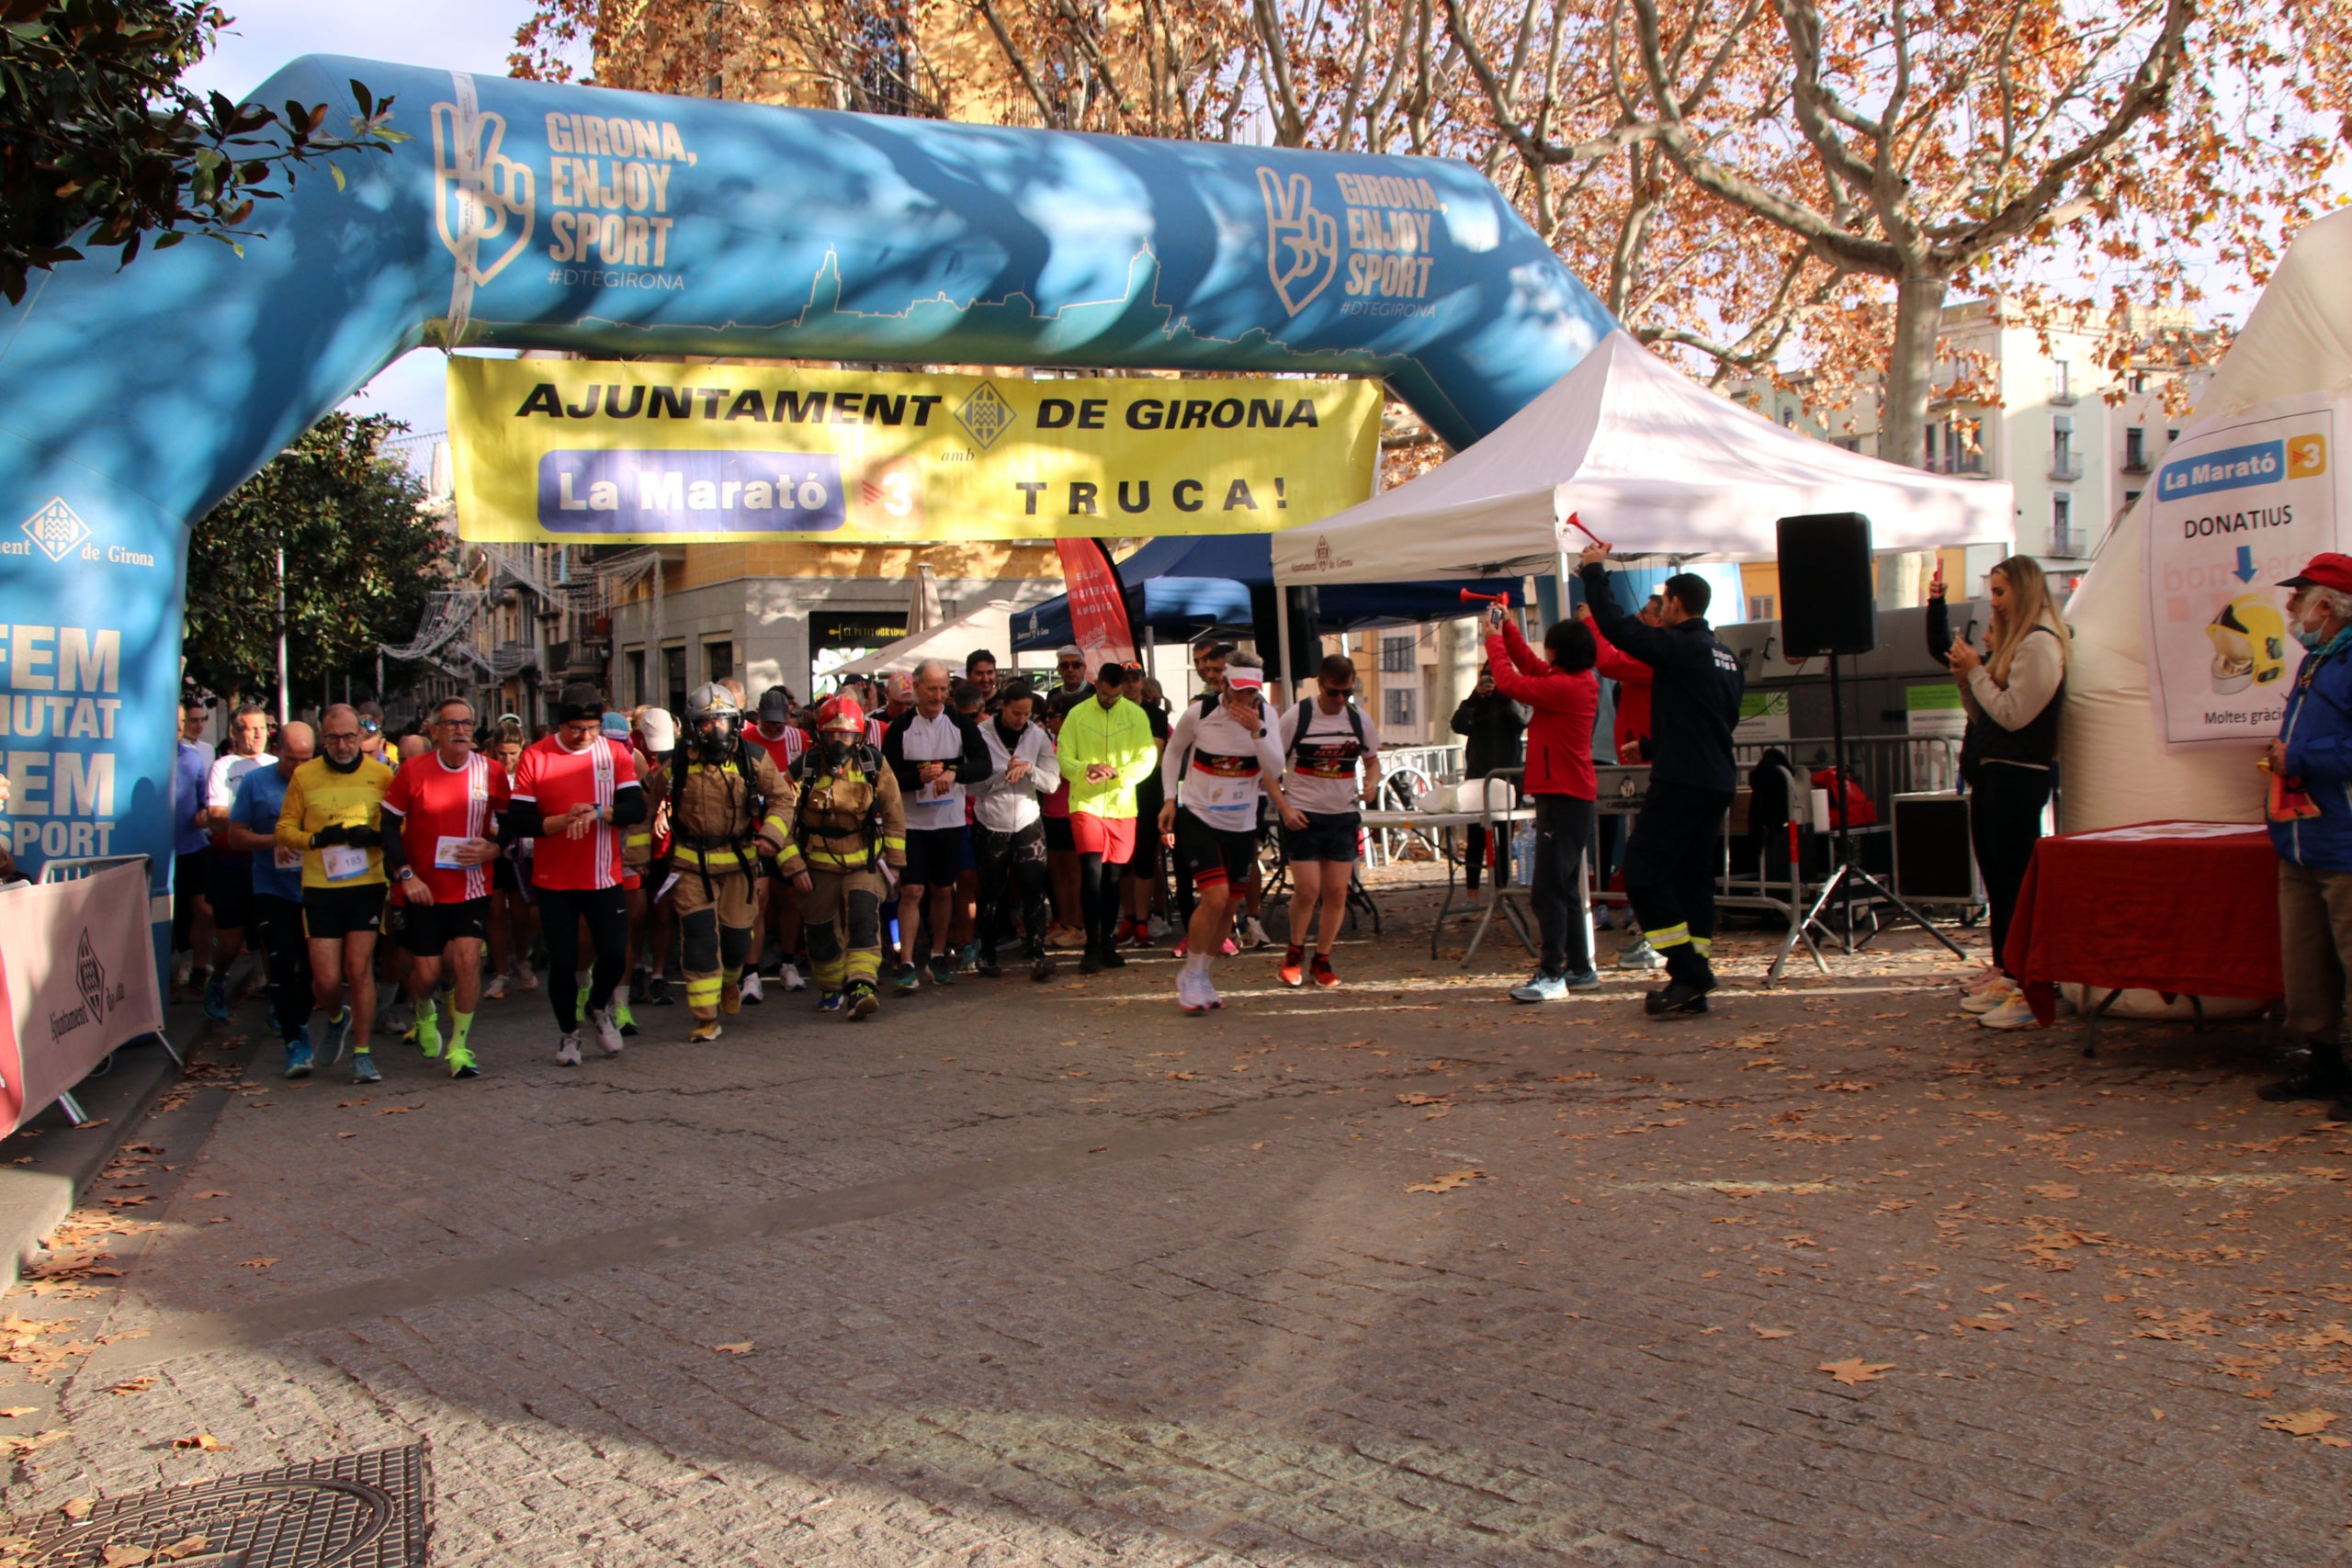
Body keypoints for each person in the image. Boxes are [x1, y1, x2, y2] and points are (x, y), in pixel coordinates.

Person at [1577, 542, 1743, 1015]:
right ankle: (1691, 979)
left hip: (1684, 780)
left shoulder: (1681, 646)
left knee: (1645, 874)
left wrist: (1594, 571)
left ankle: (1689, 970)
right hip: (1714, 778)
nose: (1656, 612)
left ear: (1674, 604)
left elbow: (1616, 630)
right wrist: (1651, 747)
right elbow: (1709, 721)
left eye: (1660, 603)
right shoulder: (1725, 656)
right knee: (1694, 879)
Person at [1928, 555, 2071, 1031]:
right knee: (1999, 879)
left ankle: (2027, 983)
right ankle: (2010, 974)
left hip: (2018, 775)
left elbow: (2012, 714)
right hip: (1993, 773)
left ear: (2024, 591)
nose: (1996, 604)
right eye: (1992, 594)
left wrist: (1975, 674)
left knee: (2014, 881)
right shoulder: (2020, 645)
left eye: (2001, 593)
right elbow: (1986, 713)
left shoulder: (2040, 645)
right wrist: (1968, 679)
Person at [503, 683, 648, 1066]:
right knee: (564, 963)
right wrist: (560, 821)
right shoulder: (536, 756)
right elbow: (518, 820)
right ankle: (569, 1036)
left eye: (592, 728)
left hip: (603, 877)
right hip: (555, 881)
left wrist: (598, 812)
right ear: (560, 724)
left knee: (616, 955)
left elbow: (635, 808)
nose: (585, 736)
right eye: (575, 729)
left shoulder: (615, 753)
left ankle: (598, 1007)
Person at [1159, 655, 1306, 1014]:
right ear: (1224, 685)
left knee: (1231, 905)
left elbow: (1274, 770)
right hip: (1198, 814)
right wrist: (1168, 800)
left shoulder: (1265, 715)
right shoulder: (1200, 712)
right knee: (1214, 896)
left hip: (1241, 820)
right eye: (1239, 693)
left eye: (1252, 694)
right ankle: (1190, 973)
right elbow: (1174, 752)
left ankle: (1202, 973)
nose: (1245, 702)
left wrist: (1257, 731)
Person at [2258, 554, 2352, 1111]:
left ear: (2327, 606)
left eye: (2299, 596)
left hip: (2344, 840)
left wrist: (2301, 756)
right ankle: (2323, 1064)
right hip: (2298, 837)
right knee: (2306, 959)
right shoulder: (2316, 660)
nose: (2289, 606)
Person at [377, 697, 507, 1077]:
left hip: (471, 886)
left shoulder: (491, 771)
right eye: (451, 724)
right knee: (428, 974)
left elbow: (513, 821)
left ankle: (460, 1047)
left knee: (467, 961)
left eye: (467, 724)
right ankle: (424, 1009)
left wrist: (496, 846)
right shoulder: (413, 772)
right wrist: (405, 874)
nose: (461, 731)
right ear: (433, 731)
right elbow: (387, 826)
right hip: (423, 890)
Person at [667, 682, 799, 1042]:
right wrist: (636, 859)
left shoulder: (752, 758)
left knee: (738, 941)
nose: (716, 730)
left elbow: (782, 801)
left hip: (739, 865)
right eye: (707, 723)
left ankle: (730, 980)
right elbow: (647, 802)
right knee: (698, 939)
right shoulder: (677, 762)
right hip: (691, 865)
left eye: (723, 721)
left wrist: (771, 835)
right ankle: (705, 1018)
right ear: (694, 726)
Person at [1484, 605, 1601, 1000]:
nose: (1544, 653)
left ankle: (1552, 972)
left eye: (1550, 647)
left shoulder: (1566, 687)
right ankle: (1580, 968)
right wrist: (1508, 629)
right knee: (1563, 888)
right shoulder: (1571, 680)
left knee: (1547, 890)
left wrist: (1494, 639)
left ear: (1560, 653)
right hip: (1566, 796)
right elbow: (1529, 665)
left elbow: (1510, 681)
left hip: (1566, 798)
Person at [274, 704, 396, 1081]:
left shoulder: (382, 775)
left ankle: (362, 1054)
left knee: (358, 970)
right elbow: (284, 830)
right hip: (321, 887)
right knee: (326, 980)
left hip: (367, 885)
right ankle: (335, 1017)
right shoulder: (305, 775)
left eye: (349, 737)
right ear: (322, 738)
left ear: (361, 736)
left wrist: (376, 837)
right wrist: (315, 838)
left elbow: (401, 829)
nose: (342, 745)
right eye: (333, 738)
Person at [791, 694, 905, 1019]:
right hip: (816, 863)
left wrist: (895, 863)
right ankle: (830, 987)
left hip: (864, 860)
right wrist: (793, 865)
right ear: (820, 735)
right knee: (821, 930)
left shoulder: (874, 764)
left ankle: (862, 987)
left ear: (860, 737)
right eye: (833, 735)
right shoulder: (807, 767)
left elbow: (895, 814)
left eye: (848, 735)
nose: (840, 741)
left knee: (863, 916)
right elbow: (781, 813)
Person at [1276, 654, 1383, 988]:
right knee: (1308, 890)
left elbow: (1372, 760)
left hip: (1342, 814)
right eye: (1334, 693)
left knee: (1337, 892)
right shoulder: (1298, 716)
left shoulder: (1357, 719)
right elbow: (1269, 769)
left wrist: (1371, 783)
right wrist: (1284, 808)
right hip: (1303, 814)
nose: (1339, 701)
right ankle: (1294, 952)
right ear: (1319, 684)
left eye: (1347, 693)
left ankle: (1322, 959)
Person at [883, 659, 989, 991]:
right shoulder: (900, 728)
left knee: (944, 889)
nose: (939, 696)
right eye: (932, 689)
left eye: (944, 689)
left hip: (949, 822)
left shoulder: (960, 723)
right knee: (912, 890)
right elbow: (886, 778)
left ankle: (939, 955)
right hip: (913, 824)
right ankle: (907, 961)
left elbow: (984, 765)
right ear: (916, 689)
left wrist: (954, 773)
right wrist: (917, 777)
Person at [218, 722, 315, 1074]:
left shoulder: (321, 779)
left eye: (307, 759)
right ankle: (293, 1039)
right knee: (283, 961)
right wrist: (274, 840)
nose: (299, 768)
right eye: (292, 759)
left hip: (315, 888)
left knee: (313, 969)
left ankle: (299, 1020)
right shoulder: (256, 783)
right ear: (279, 751)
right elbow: (235, 837)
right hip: (272, 887)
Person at [1057, 662, 1159, 973]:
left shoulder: (1136, 714)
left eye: (1114, 697)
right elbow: (1063, 756)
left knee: (1114, 879)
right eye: (1104, 694)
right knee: (1091, 873)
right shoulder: (1077, 714)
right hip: (1086, 803)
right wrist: (1084, 769)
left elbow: (1148, 758)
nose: (1109, 700)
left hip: (1122, 806)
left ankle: (1105, 944)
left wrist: (1120, 775)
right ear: (1096, 683)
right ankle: (1090, 945)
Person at [1580, 593, 1666, 963]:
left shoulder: (1657, 654)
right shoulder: (1653, 653)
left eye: (1645, 612)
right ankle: (1650, 929)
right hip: (1634, 758)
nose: (1636, 616)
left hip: (1650, 765)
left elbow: (1608, 660)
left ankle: (1657, 934)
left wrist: (1591, 621)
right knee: (1638, 848)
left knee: (1652, 852)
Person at [969, 682, 1061, 981]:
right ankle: (987, 953)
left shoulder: (1037, 736)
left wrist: (1029, 770)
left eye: (1027, 714)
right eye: (1016, 713)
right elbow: (971, 785)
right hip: (991, 819)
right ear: (1003, 706)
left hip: (1026, 817)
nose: (1022, 720)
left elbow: (1052, 782)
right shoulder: (981, 734)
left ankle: (1036, 952)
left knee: (1033, 885)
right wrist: (1003, 774)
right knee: (991, 889)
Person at [199, 703, 275, 1021]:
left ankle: (278, 1002)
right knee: (230, 942)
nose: (258, 735)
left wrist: (241, 822)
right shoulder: (223, 766)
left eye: (262, 728)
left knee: (272, 936)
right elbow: (216, 819)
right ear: (235, 732)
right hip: (231, 863)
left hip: (269, 863)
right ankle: (218, 979)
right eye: (249, 728)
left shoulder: (276, 764)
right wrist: (257, 821)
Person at [746, 685, 810, 997]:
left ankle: (788, 962)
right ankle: (751, 972)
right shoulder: (746, 742)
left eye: (780, 722)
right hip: (757, 832)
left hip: (791, 831)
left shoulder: (800, 740)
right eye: (769, 722)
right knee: (759, 898)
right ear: (758, 716)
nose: (774, 728)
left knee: (791, 899)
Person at [1450, 663, 1527, 908]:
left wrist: (1504, 693)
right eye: (1486, 676)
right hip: (1478, 778)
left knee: (1504, 840)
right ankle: (1472, 896)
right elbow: (1458, 724)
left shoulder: (1516, 698)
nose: (1490, 681)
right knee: (1476, 841)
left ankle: (1502, 892)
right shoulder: (1476, 703)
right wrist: (1475, 696)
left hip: (1507, 779)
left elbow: (1522, 720)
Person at [484, 724, 539, 999]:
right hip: (493, 850)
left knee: (522, 916)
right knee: (494, 914)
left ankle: (522, 961)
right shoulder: (487, 773)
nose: (507, 760)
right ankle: (500, 972)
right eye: (502, 753)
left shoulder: (526, 774)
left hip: (519, 852)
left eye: (513, 754)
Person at [1118, 677, 1173, 945]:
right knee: (1121, 862)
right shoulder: (1112, 711)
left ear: (1140, 682)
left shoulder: (1155, 714)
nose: (1129, 686)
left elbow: (1154, 755)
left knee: (1144, 859)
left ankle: (1143, 921)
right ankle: (1129, 918)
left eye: (1133, 680)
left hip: (1149, 795)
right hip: (1116, 795)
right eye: (1124, 682)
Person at [631, 706, 679, 1007]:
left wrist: (669, 811)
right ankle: (635, 969)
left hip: (664, 849)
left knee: (662, 914)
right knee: (636, 916)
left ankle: (659, 975)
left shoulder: (676, 759)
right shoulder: (626, 756)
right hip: (634, 852)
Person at [172, 696, 215, 994]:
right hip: (160, 852)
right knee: (169, 913)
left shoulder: (193, 758)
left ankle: (199, 967)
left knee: (204, 910)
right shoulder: (142, 758)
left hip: (193, 846)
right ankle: (181, 963)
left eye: (180, 723)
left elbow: (205, 803)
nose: (177, 729)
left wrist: (204, 813)